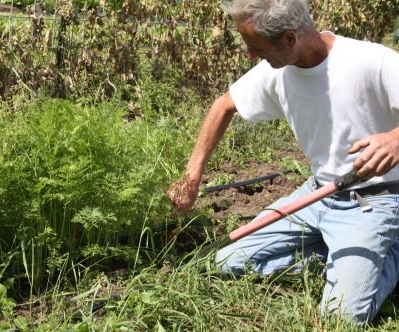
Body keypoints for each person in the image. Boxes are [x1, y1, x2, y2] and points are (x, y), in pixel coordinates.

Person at [167, 0, 399, 326]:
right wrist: (191, 178)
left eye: (255, 47)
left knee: (340, 320)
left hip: (373, 202)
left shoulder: (370, 61)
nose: (249, 55)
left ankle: (389, 256)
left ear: (289, 39)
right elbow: (222, 106)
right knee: (225, 261)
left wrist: (395, 138)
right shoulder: (276, 72)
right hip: (317, 195)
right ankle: (340, 258)